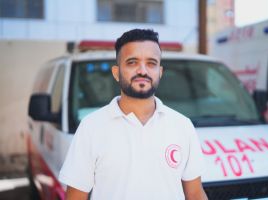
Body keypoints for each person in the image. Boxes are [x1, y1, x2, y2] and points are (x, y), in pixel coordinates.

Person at [59, 29, 208, 200]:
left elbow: (195, 193)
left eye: (151, 63)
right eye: (132, 62)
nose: (142, 71)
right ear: (116, 73)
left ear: (160, 72)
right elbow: (75, 197)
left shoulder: (182, 125)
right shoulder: (91, 127)